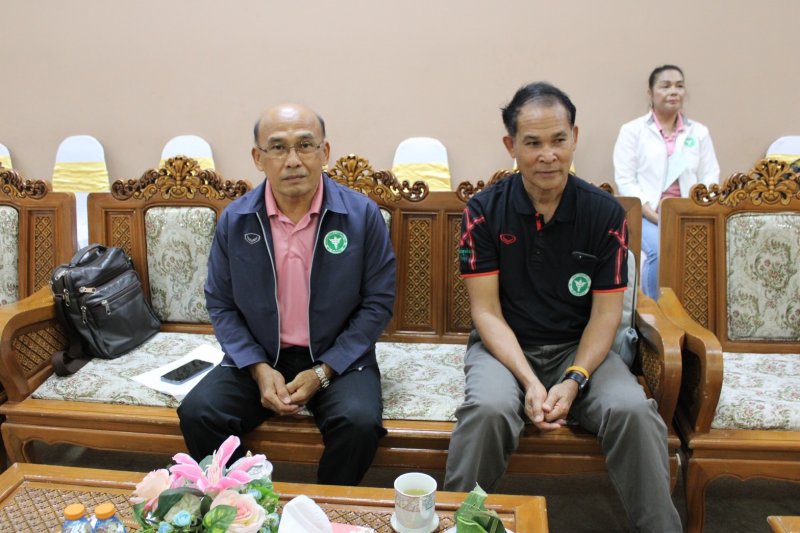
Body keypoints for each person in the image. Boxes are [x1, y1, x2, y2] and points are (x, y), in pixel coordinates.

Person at [444, 82, 681, 532]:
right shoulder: (483, 211)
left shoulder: (604, 214)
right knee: (488, 411)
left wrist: (573, 380)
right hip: (506, 349)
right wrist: (530, 381)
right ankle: (460, 524)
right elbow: (486, 312)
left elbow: (606, 316)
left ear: (575, 137)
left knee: (633, 411)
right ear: (511, 146)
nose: (548, 155)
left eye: (558, 140)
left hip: (582, 348)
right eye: (532, 143)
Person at [178, 103, 396, 485]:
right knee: (199, 412)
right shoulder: (236, 219)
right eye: (278, 148)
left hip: (339, 358)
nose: (293, 160)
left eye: (305, 146)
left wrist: (324, 371)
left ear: (325, 152)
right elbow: (221, 303)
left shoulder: (362, 215)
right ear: (258, 158)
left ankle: (321, 509)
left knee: (358, 423)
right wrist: (258, 368)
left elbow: (378, 302)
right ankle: (246, 503)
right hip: (260, 357)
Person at [613, 64, 719, 299]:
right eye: (665, 86)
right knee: (660, 251)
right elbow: (625, 179)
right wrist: (652, 213)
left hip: (689, 212)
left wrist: (698, 209)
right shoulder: (632, 131)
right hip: (646, 213)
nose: (674, 92)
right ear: (650, 93)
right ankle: (654, 311)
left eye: (679, 86)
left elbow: (710, 176)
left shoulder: (698, 132)